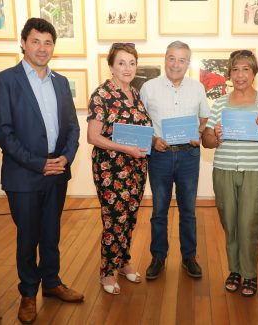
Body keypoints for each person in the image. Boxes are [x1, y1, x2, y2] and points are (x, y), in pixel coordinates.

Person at [0, 18, 83, 324]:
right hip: (24, 174)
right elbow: (3, 133)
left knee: (51, 232)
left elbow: (72, 127)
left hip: (57, 171)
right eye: (36, 41)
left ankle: (52, 283)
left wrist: (65, 158)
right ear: (23, 43)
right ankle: (29, 293)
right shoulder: (5, 81)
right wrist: (38, 162)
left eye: (48, 42)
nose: (42, 48)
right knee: (28, 236)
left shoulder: (59, 82)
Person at [202, 50, 258, 297]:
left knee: (249, 223)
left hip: (254, 171)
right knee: (230, 223)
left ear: (254, 73)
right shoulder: (219, 103)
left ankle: (249, 274)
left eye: (246, 69)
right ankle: (234, 270)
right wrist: (214, 136)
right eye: (235, 69)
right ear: (229, 74)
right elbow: (206, 141)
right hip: (224, 170)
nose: (240, 74)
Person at [140, 41, 210, 279]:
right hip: (160, 155)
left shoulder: (197, 88)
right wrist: (152, 140)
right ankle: (158, 256)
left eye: (182, 60)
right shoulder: (148, 88)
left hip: (188, 155)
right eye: (172, 58)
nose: (176, 64)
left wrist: (198, 134)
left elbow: (204, 120)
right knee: (159, 210)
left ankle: (189, 257)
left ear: (188, 63)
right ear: (165, 58)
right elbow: (141, 124)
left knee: (188, 210)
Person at [87, 43, 152, 295]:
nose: (127, 68)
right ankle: (106, 272)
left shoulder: (135, 94)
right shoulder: (102, 94)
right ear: (111, 66)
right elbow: (94, 137)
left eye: (132, 63)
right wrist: (128, 150)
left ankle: (123, 262)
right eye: (121, 63)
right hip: (110, 169)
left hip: (136, 167)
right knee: (114, 219)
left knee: (130, 217)